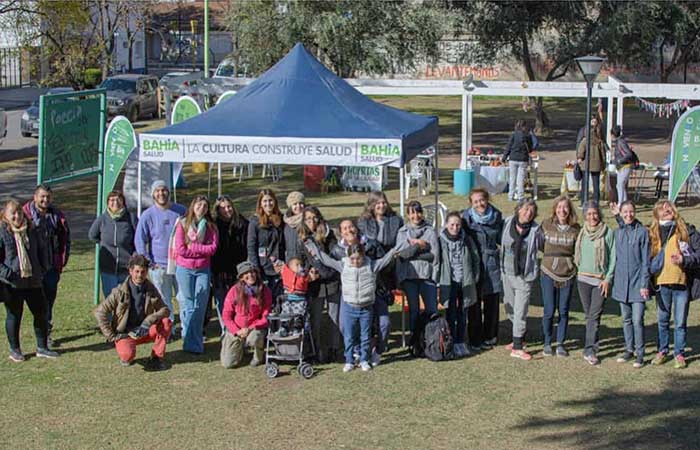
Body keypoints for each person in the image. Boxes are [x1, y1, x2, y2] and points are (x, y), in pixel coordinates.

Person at [309, 242, 404, 372]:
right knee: (349, 336)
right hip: (349, 307)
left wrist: (396, 249)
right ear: (348, 257)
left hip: (366, 308)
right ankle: (349, 360)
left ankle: (364, 359)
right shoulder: (343, 265)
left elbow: (386, 259)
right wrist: (312, 247)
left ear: (363, 256)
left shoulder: (371, 265)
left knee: (365, 335)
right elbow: (326, 259)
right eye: (352, 258)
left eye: (358, 258)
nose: (355, 261)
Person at [1, 199, 58, 362]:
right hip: (12, 283)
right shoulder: (2, 232)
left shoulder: (31, 230)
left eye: (19, 212)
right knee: (14, 315)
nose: (17, 216)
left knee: (41, 313)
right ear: (6, 215)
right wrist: (8, 274)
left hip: (33, 281)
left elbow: (41, 250)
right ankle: (15, 350)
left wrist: (42, 268)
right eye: (13, 213)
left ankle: (42, 347)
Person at [94, 254, 171, 370]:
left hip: (144, 330)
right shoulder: (119, 291)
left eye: (143, 272)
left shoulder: (151, 289)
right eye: (137, 271)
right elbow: (100, 312)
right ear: (130, 271)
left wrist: (148, 322)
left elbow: (165, 310)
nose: (140, 275)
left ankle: (156, 358)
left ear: (147, 272)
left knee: (166, 322)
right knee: (127, 356)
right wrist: (112, 336)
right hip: (125, 333)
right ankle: (126, 352)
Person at [648, 200, 700, 369]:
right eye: (662, 209)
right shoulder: (652, 233)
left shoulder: (687, 230)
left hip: (681, 284)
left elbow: (698, 256)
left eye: (669, 208)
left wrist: (684, 260)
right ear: (656, 214)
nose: (667, 210)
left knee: (679, 322)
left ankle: (679, 354)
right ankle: (662, 351)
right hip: (662, 285)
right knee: (663, 320)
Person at [357, 191, 403, 363]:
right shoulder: (363, 222)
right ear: (371, 205)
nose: (381, 206)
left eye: (383, 202)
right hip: (370, 270)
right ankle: (368, 344)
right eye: (377, 203)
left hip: (388, 269)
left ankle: (379, 346)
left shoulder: (396, 220)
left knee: (383, 313)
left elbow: (398, 243)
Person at [22, 184, 70, 347]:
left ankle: (46, 333)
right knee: (35, 303)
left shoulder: (56, 216)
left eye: (48, 197)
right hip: (32, 269)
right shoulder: (24, 215)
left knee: (48, 301)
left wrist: (61, 261)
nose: (45, 200)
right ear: (35, 197)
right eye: (42, 196)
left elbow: (65, 240)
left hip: (51, 268)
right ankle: (38, 334)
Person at [135, 180, 187, 326]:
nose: (161, 193)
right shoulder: (148, 215)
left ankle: (186, 328)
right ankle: (168, 328)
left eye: (164, 190)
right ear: (153, 194)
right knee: (164, 300)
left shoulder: (181, 211)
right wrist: (149, 262)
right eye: (157, 191)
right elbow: (140, 240)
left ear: (168, 192)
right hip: (159, 266)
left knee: (183, 297)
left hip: (181, 263)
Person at [174, 195, 218, 354]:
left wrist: (193, 247)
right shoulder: (182, 224)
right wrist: (200, 250)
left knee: (200, 305)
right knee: (188, 304)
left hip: (202, 270)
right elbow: (180, 249)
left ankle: (193, 338)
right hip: (184, 270)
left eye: (205, 206)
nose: (202, 208)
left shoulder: (210, 227)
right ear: (193, 206)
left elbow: (212, 249)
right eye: (199, 205)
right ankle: (190, 340)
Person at [536, 196, 580, 357]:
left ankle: (561, 343)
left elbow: (578, 249)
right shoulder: (546, 225)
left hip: (568, 273)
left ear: (570, 210)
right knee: (549, 309)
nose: (562, 210)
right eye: (559, 207)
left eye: (565, 207)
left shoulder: (576, 229)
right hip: (548, 272)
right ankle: (547, 342)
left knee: (563, 310)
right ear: (555, 208)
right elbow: (540, 244)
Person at [296, 206, 340, 363]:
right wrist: (308, 271)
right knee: (316, 320)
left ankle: (334, 348)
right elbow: (301, 260)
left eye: (314, 217)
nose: (311, 221)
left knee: (334, 318)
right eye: (308, 218)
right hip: (315, 284)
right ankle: (317, 350)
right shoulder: (302, 239)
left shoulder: (329, 234)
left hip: (332, 280)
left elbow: (335, 255)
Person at [609, 201, 650, 369]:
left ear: (635, 212)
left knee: (637, 319)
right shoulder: (617, 233)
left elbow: (645, 261)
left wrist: (644, 284)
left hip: (637, 284)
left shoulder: (642, 233)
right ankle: (629, 349)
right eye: (625, 212)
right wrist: (617, 215)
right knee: (626, 319)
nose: (628, 215)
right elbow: (625, 226)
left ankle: (640, 354)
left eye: (631, 211)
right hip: (621, 284)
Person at [574, 202, 615, 365]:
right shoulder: (582, 232)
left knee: (594, 315)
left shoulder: (607, 232)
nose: (592, 217)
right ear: (585, 215)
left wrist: (607, 279)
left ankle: (590, 349)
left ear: (600, 214)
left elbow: (613, 258)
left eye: (595, 213)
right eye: (589, 214)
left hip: (599, 280)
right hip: (583, 279)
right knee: (589, 316)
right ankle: (591, 345)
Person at [462, 188, 503, 350]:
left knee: (492, 301)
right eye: (476, 201)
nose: (480, 204)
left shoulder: (497, 216)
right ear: (471, 204)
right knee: (474, 302)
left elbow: (501, 238)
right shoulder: (466, 218)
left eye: (482, 200)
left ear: (487, 199)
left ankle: (490, 336)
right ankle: (475, 338)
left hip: (491, 262)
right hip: (474, 263)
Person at [500, 199, 540, 361]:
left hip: (524, 276)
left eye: (531, 211)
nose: (527, 213)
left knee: (520, 310)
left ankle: (517, 347)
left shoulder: (536, 230)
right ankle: (519, 337)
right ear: (518, 210)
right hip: (507, 273)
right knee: (509, 307)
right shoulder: (508, 222)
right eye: (525, 209)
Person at [438, 212, 480, 358]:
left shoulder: (467, 240)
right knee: (450, 312)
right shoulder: (440, 241)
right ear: (446, 225)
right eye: (452, 225)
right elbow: (437, 261)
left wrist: (475, 276)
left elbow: (475, 258)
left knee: (463, 312)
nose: (455, 228)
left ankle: (461, 341)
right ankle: (452, 342)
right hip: (449, 281)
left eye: (457, 225)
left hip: (465, 280)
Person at [395, 200, 440, 337]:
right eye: (412, 213)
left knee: (431, 309)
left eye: (418, 212)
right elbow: (401, 255)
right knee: (413, 310)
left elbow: (434, 256)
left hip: (427, 277)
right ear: (408, 215)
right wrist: (419, 246)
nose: (416, 216)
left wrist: (435, 278)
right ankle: (415, 339)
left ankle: (432, 337)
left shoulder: (430, 231)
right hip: (409, 277)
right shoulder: (403, 232)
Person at [220, 261, 272, 368]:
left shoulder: (264, 290)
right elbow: (226, 315)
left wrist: (251, 328)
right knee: (228, 364)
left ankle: (259, 357)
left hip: (255, 328)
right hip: (237, 329)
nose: (250, 275)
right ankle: (239, 348)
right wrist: (236, 331)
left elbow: (266, 315)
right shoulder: (234, 291)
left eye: (253, 272)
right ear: (241, 277)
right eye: (246, 273)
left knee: (254, 338)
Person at [88, 191, 138, 298]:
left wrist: (134, 254)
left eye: (118, 199)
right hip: (108, 267)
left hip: (127, 267)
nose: (115, 202)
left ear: (123, 201)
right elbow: (92, 235)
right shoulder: (102, 219)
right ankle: (111, 316)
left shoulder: (131, 218)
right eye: (112, 200)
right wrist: (103, 243)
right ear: (107, 203)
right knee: (111, 299)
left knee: (127, 298)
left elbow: (138, 239)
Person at [211, 195, 248, 330]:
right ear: (218, 210)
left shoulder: (242, 223)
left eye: (229, 206)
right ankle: (226, 330)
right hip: (219, 270)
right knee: (222, 302)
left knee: (239, 301)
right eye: (223, 208)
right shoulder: (213, 224)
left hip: (237, 269)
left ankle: (238, 328)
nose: (227, 210)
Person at [247, 189, 285, 297]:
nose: (268, 204)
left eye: (270, 200)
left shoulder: (280, 219)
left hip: (278, 267)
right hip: (263, 268)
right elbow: (251, 247)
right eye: (265, 201)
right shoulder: (255, 222)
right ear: (260, 204)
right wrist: (256, 269)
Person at [502, 119, 533, 201]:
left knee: (512, 178)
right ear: (525, 126)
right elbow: (530, 149)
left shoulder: (513, 135)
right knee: (521, 179)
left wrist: (504, 157)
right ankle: (520, 197)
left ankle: (510, 196)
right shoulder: (528, 136)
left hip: (513, 158)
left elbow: (508, 146)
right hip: (523, 159)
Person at [577, 119, 606, 205]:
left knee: (584, 184)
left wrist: (580, 158)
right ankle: (596, 201)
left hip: (586, 164)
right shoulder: (599, 142)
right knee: (596, 184)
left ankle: (583, 201)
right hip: (596, 165)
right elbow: (603, 154)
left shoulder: (585, 141)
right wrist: (603, 164)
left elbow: (580, 151)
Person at [280, 257, 310, 334]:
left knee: (299, 313)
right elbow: (280, 264)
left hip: (300, 299)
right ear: (290, 267)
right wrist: (274, 260)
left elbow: (307, 278)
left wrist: (304, 273)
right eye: (297, 265)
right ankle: (284, 327)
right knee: (285, 311)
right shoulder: (286, 272)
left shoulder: (303, 276)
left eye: (300, 265)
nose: (299, 266)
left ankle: (297, 328)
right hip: (288, 299)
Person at [611, 125, 636, 204]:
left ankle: (620, 203)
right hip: (622, 167)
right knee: (620, 185)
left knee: (620, 185)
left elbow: (628, 154)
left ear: (613, 134)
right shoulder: (620, 141)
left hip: (625, 166)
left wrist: (619, 160)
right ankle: (624, 202)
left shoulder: (620, 142)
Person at [283, 191, 306, 261]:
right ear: (290, 206)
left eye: (301, 203)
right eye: (295, 204)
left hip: (307, 261)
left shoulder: (308, 220)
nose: (298, 206)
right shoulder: (286, 222)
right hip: (291, 261)